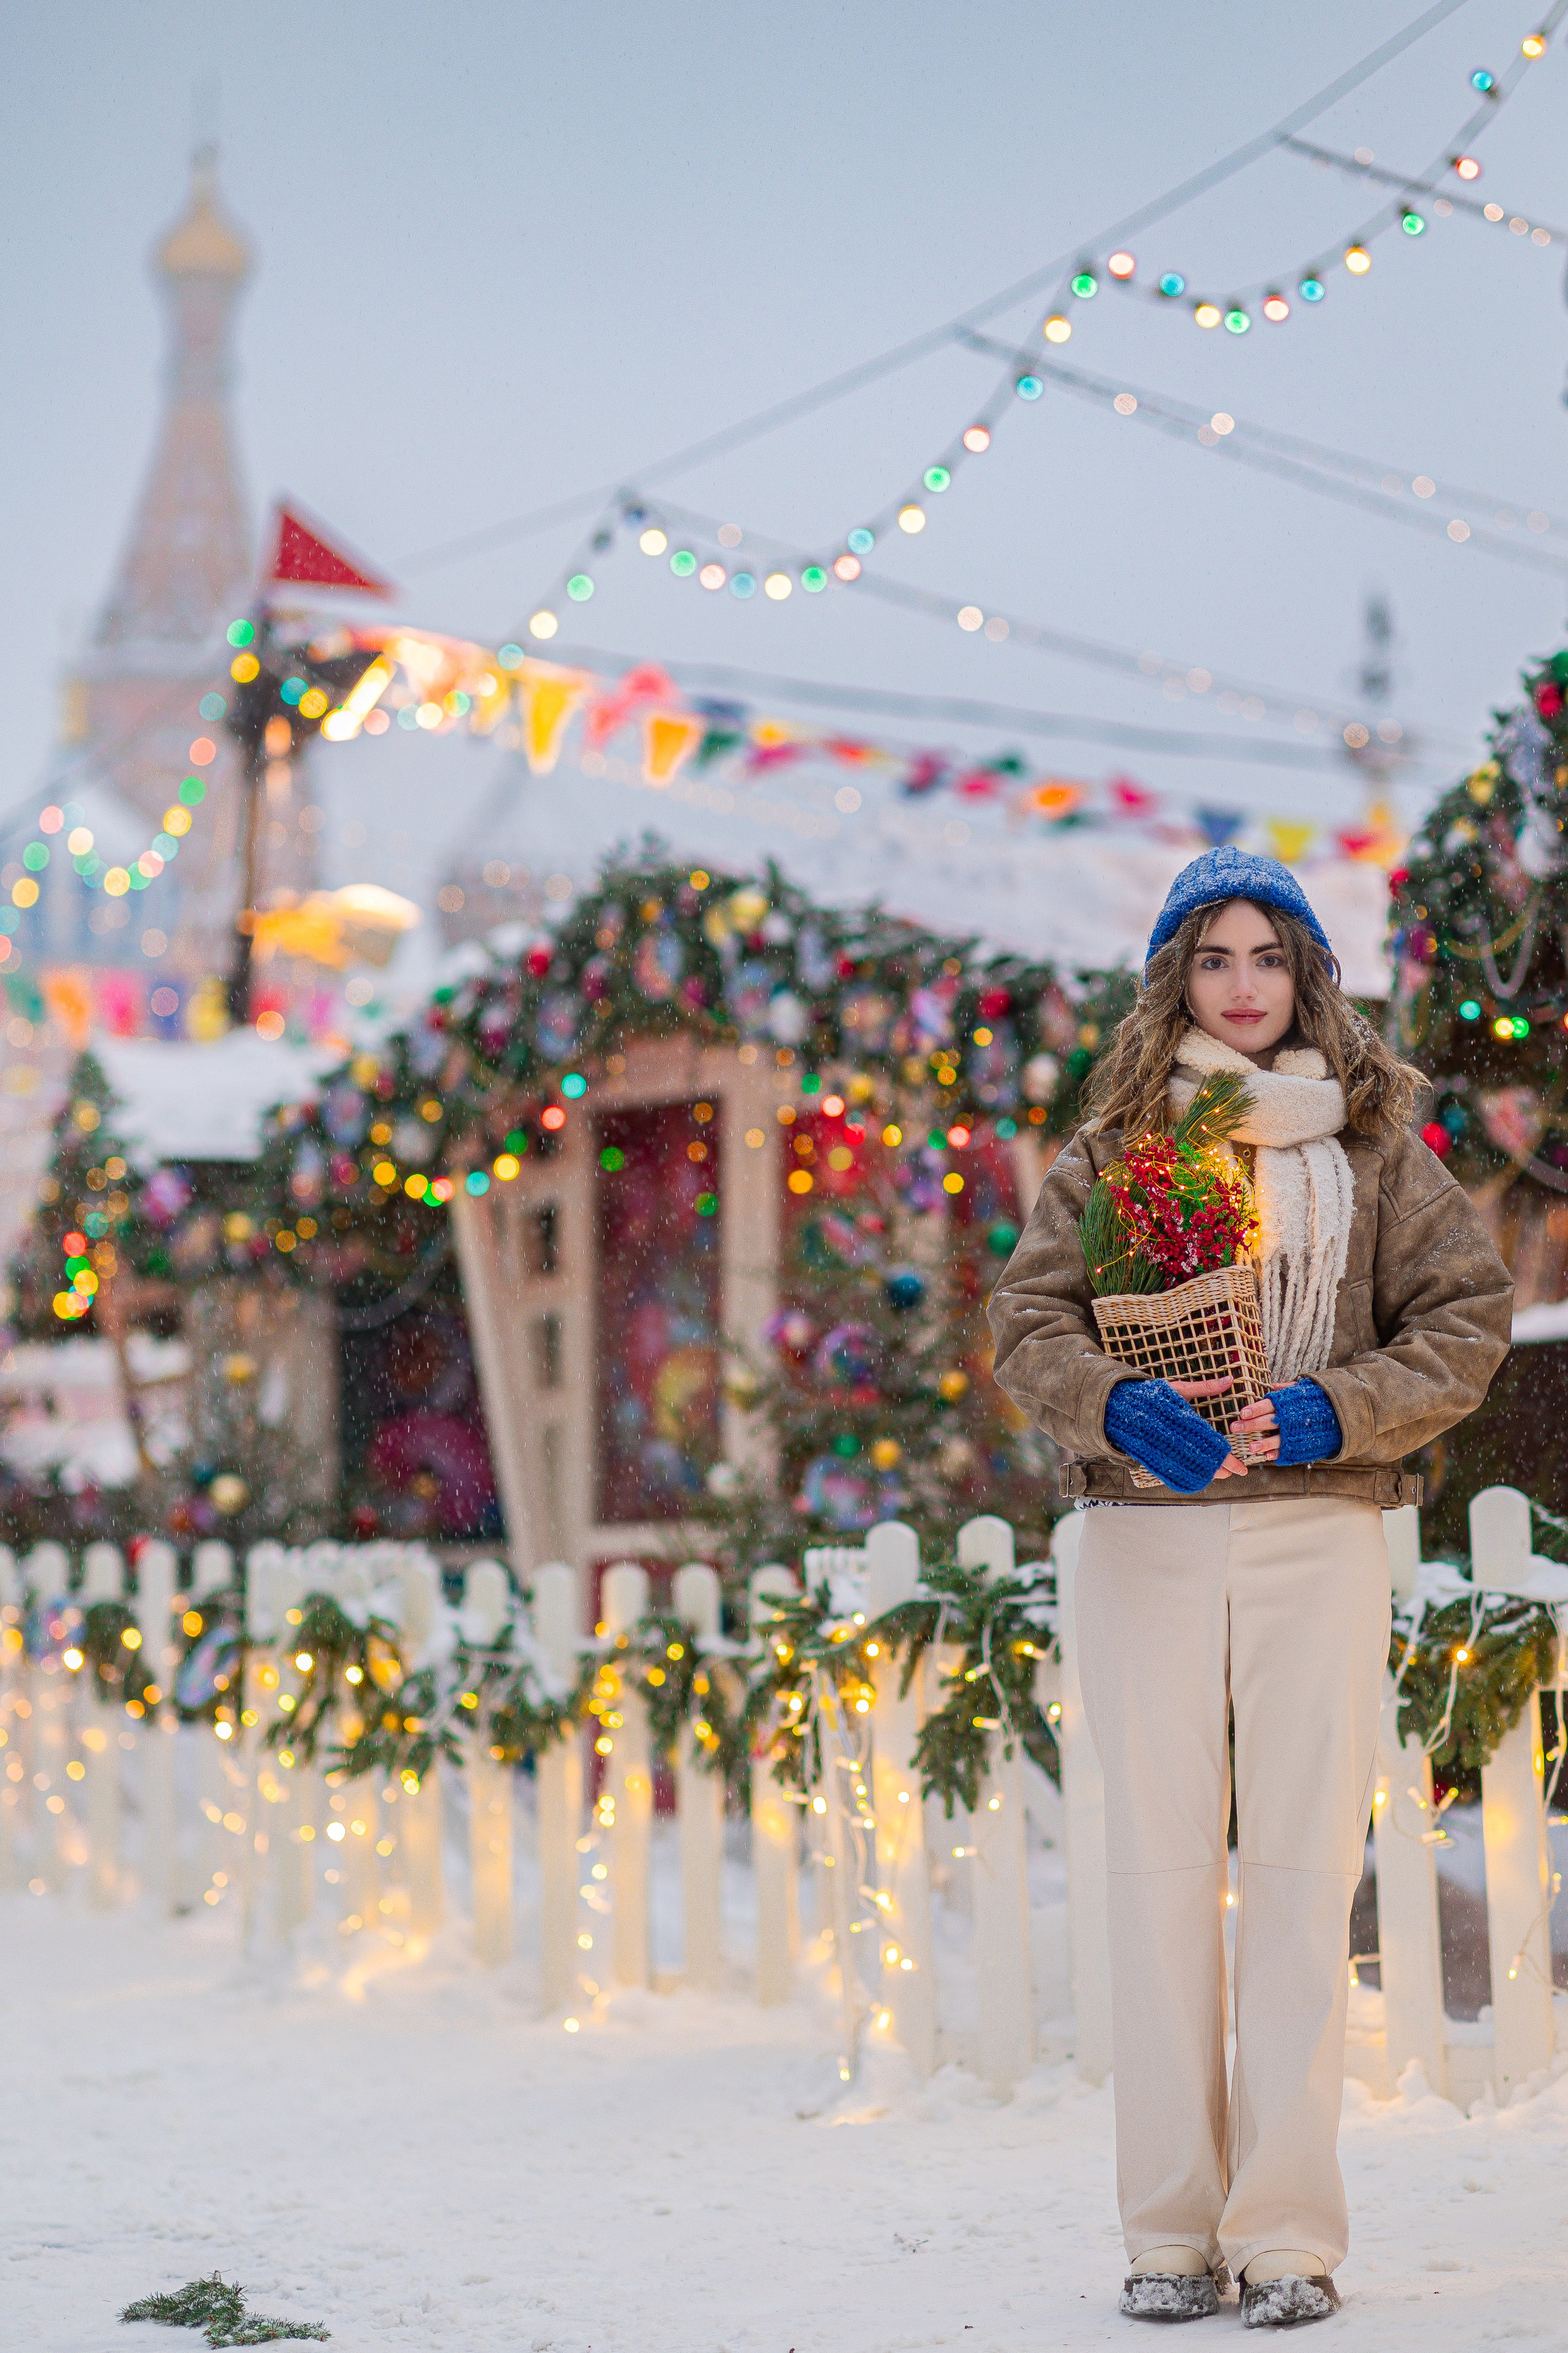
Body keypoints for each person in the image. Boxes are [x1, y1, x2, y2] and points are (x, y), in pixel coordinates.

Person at [988, 847, 1512, 2330]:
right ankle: (1165, 2231)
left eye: (1263, 958)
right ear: (1174, 979)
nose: (1238, 986)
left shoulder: (1373, 1154)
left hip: (1318, 1533)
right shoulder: (1112, 1153)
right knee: (1156, 1881)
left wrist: (1337, 1406)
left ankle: (1283, 2232)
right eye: (1210, 958)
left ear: (1303, 977)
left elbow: (1463, 1320)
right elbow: (1026, 1318)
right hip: (1148, 1538)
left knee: (1293, 1882)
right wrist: (1109, 1402)